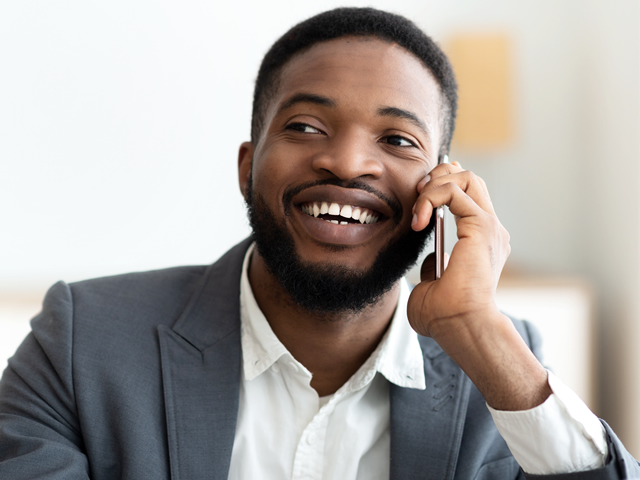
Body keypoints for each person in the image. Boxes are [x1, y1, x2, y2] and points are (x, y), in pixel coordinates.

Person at [0, 7, 638, 480]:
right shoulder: (81, 342)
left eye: (398, 140)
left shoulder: (499, 369)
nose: (348, 163)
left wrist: (478, 329)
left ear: (441, 187)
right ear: (248, 164)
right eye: (306, 125)